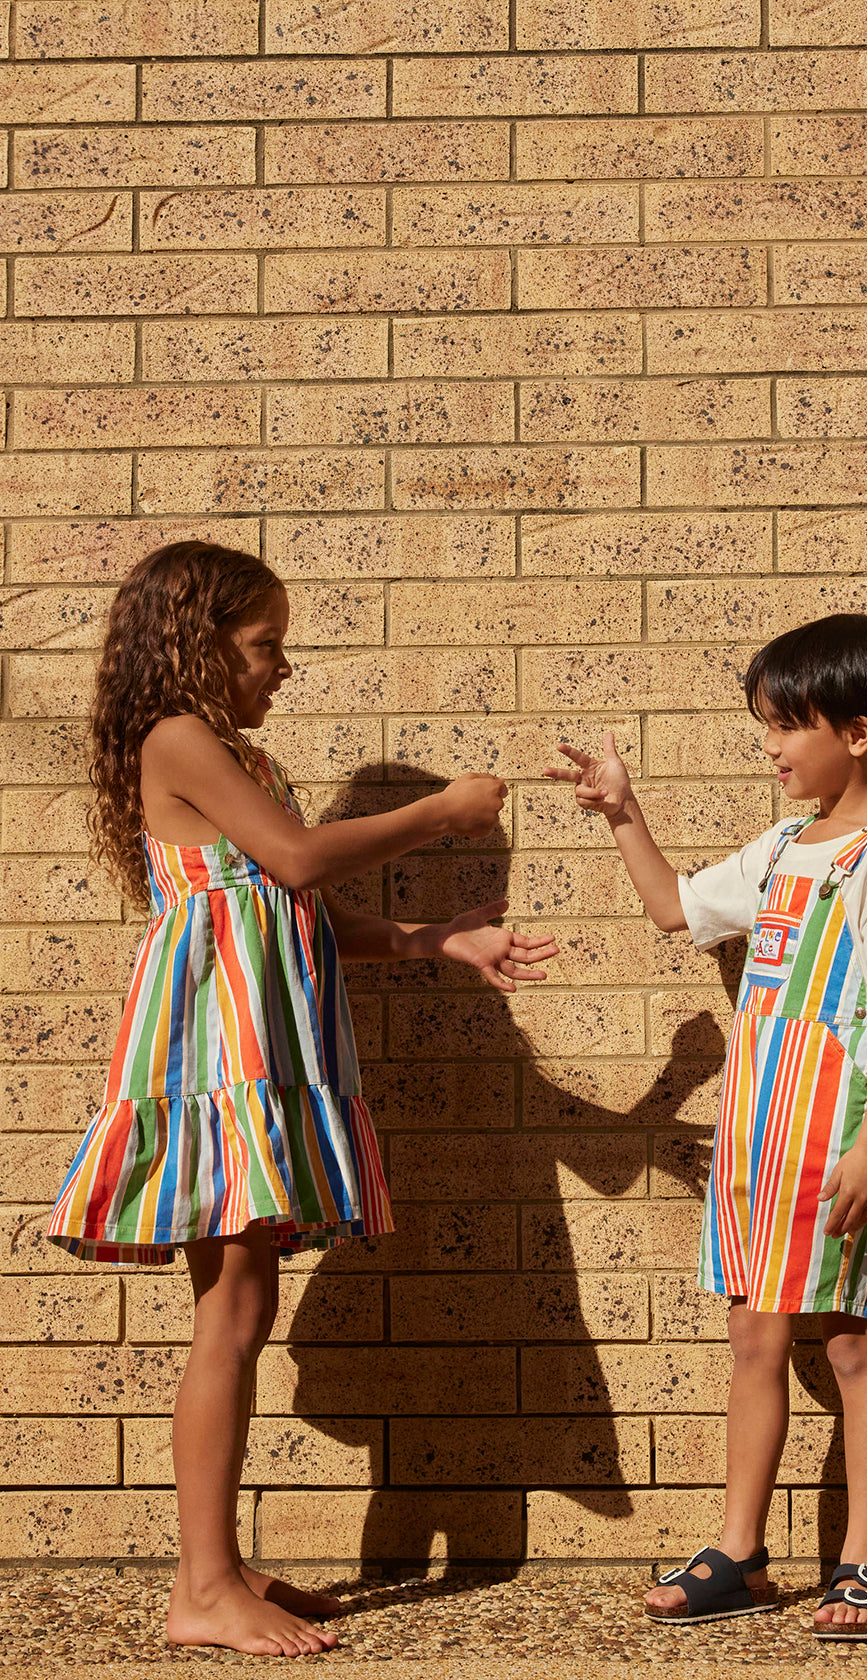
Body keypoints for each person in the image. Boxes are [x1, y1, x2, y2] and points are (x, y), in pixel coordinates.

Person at [47, 540, 557, 1659]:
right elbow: (292, 863)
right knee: (229, 1313)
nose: (284, 667)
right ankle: (201, 1586)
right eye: (265, 645)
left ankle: (219, 1566)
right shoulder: (176, 739)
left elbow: (293, 918)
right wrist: (438, 813)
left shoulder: (237, 756)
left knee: (240, 1305)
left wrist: (437, 941)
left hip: (259, 1044)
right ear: (198, 642)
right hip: (216, 1053)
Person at [545, 613, 867, 1643]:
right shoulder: (781, 845)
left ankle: (865, 1561)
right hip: (756, 1130)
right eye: (765, 723)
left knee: (849, 1339)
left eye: (785, 725)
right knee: (753, 1334)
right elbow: (675, 911)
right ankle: (738, 1550)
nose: (770, 745)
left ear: (854, 733)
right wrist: (621, 811)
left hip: (837, 1130)